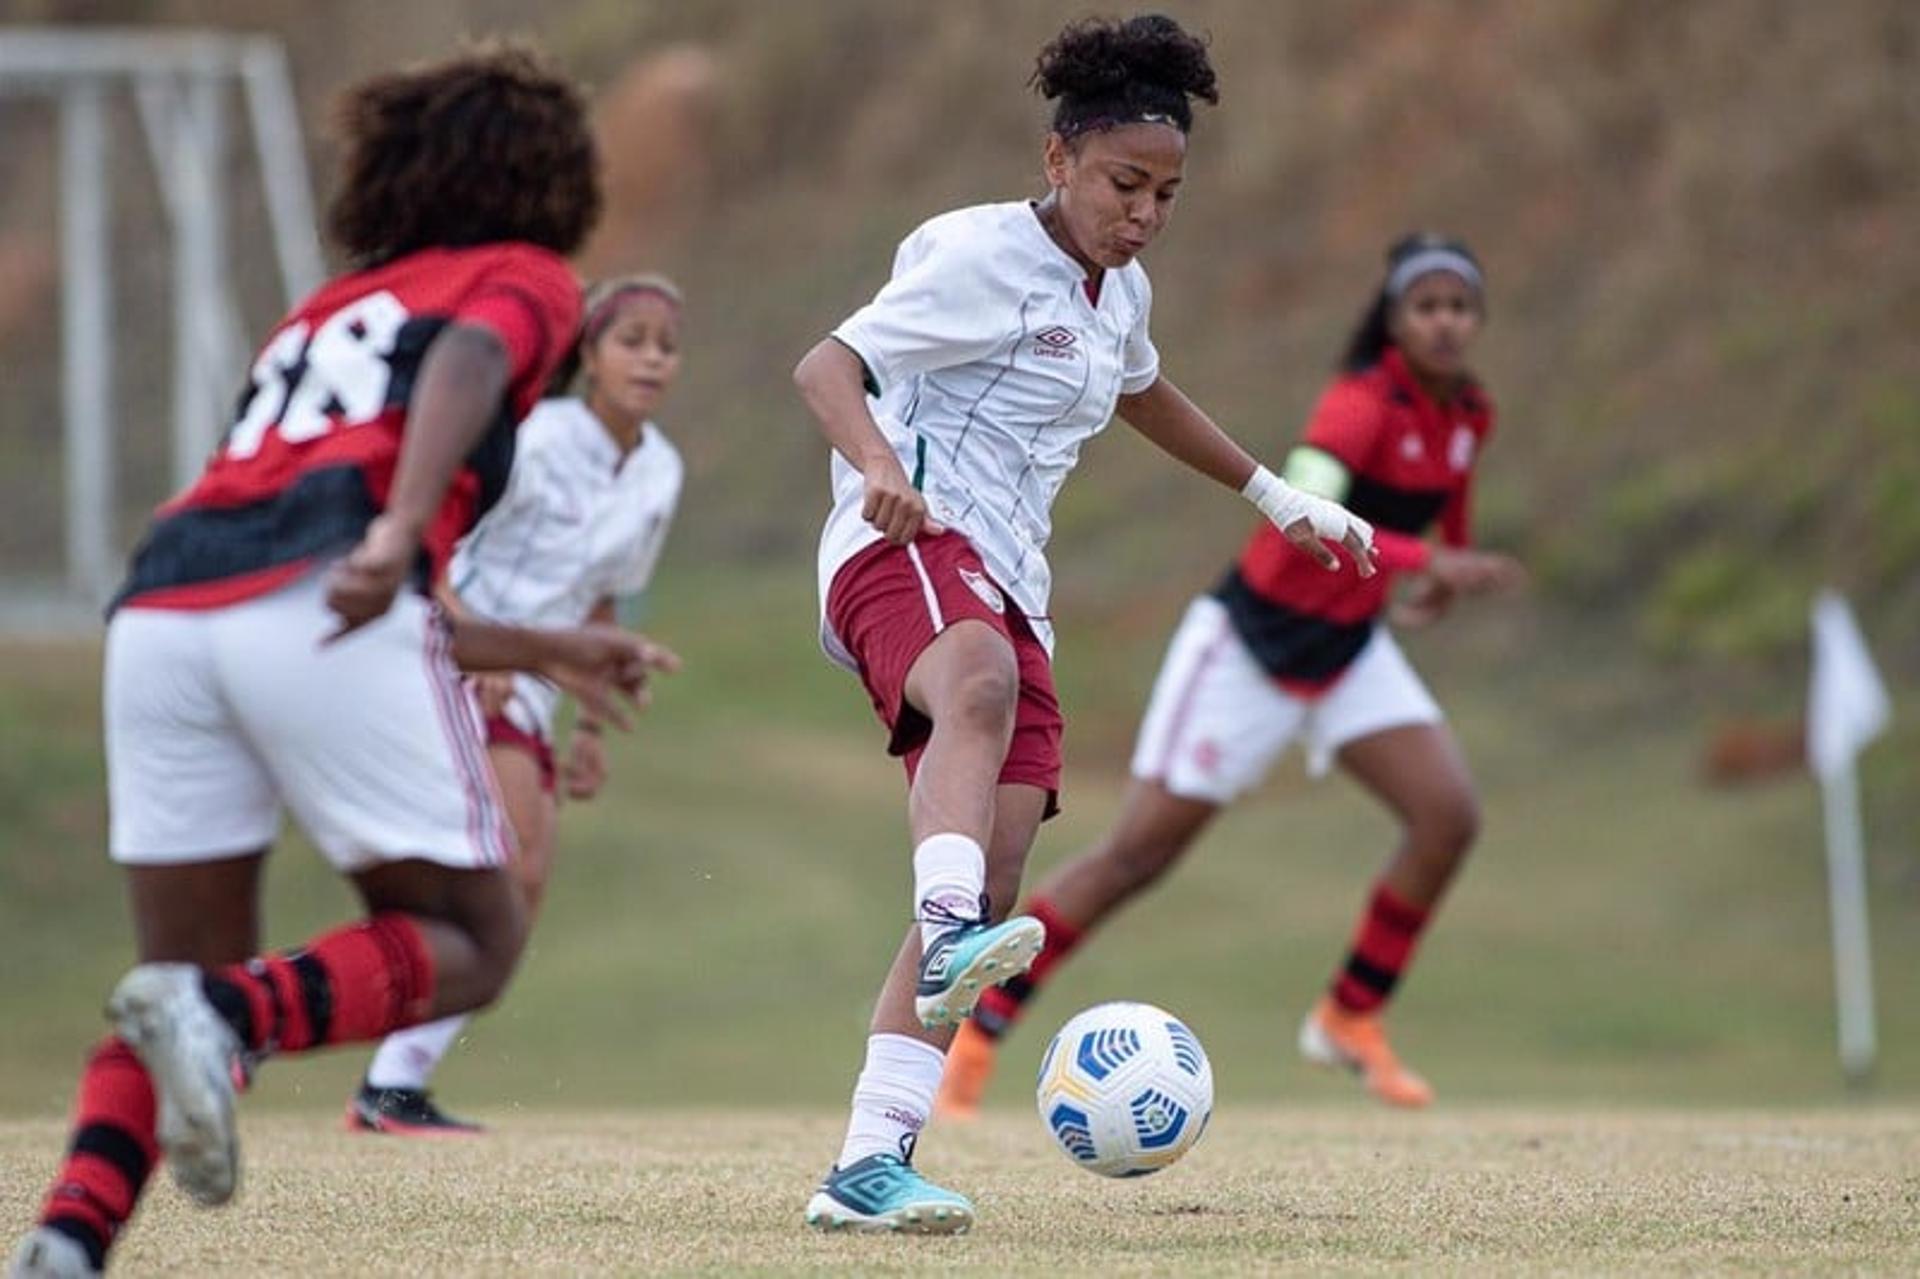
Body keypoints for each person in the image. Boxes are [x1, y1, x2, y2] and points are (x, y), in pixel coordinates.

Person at [9, 43, 674, 1279]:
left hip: (161, 610)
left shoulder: (320, 312)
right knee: (473, 935)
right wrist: (403, 519)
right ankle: (230, 1017)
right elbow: (469, 367)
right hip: (319, 593)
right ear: (547, 177)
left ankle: (65, 1243)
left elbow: (279, 531)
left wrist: (542, 642)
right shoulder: (518, 276)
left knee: (172, 984)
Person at [792, 14, 1375, 1235]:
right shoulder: (973, 253)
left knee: (998, 872)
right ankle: (948, 929)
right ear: (1057, 160)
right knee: (979, 686)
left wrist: (1277, 497)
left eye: (1167, 192)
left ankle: (867, 1162)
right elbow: (826, 367)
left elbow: (1142, 388)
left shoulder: (1122, 293)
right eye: (1125, 183)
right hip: (903, 544)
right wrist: (878, 467)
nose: (1146, 211)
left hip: (1009, 577)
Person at [934, 233, 1524, 1119]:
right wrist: (1419, 562)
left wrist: (1444, 567)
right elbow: (1307, 506)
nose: (1445, 323)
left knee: (1448, 816)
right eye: (1426, 306)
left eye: (1460, 307)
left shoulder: (1469, 414)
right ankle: (975, 1036)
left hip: (1347, 651)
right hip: (1248, 647)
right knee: (1138, 855)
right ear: (1394, 321)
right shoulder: (1355, 408)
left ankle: (1349, 1017)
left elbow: (1450, 518)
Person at [347, 274, 688, 1134]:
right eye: (632, 339)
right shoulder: (534, 437)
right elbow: (437, 545)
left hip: (533, 686)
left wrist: (591, 723)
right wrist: (476, 637)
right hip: (449, 660)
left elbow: (601, 605)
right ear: (590, 354)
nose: (651, 358)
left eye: (667, 344)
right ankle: (346, 1057)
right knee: (510, 868)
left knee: (517, 889)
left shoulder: (660, 471)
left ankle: (387, 1076)